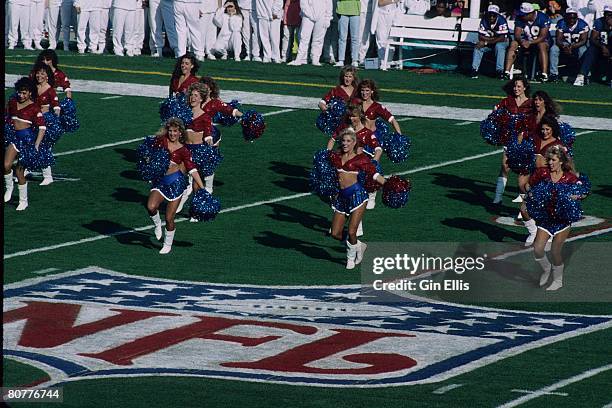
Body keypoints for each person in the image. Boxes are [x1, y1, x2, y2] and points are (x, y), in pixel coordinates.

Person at [526, 145, 585, 290]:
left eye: (553, 160)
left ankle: (558, 281)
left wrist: (575, 196)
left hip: (562, 220)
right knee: (538, 249)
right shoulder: (543, 173)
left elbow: (583, 193)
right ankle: (546, 269)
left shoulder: (570, 178)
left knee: (555, 251)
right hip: (546, 219)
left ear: (561, 161)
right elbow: (528, 185)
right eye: (549, 160)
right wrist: (531, 194)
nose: (550, 163)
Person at [328, 128, 386, 269]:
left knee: (352, 231)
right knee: (335, 233)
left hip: (358, 196)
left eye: (348, 141)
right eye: (343, 141)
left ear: (354, 143)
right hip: (341, 198)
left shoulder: (361, 159)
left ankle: (350, 258)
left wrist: (387, 184)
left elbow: (374, 175)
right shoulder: (336, 157)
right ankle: (358, 245)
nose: (345, 143)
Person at [147, 118, 204, 254]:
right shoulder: (161, 141)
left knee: (169, 218)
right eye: (170, 131)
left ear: (180, 133)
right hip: (161, 181)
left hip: (176, 184)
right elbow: (149, 153)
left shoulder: (184, 150)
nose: (172, 134)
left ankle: (167, 244)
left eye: (175, 131)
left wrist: (202, 188)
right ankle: (157, 224)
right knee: (151, 207)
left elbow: (192, 169)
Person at [519, 116, 568, 245]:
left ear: (553, 130)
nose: (544, 132)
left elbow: (565, 165)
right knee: (524, 209)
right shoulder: (536, 140)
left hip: (550, 180)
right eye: (542, 129)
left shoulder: (559, 145)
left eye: (547, 129)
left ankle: (549, 234)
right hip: (535, 178)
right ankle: (533, 232)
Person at [4, 77, 46, 211]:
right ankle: (9, 188)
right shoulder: (12, 102)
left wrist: (36, 145)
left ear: (30, 93)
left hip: (27, 141)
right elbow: (7, 117)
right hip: (14, 138)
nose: (21, 95)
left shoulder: (34, 108)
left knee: (19, 172)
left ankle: (23, 200)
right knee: (6, 165)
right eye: (20, 92)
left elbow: (42, 128)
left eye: (24, 93)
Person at [491, 77, 534, 205]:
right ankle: (498, 197)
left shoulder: (531, 104)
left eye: (519, 86)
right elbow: (496, 112)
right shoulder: (507, 101)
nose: (516, 89)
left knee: (522, 170)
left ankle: (523, 197)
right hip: (510, 138)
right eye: (515, 86)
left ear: (525, 88)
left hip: (526, 140)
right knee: (505, 166)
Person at [503, 2, 552, 82]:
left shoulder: (543, 17)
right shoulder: (520, 18)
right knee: (514, 44)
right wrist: (522, 41)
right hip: (526, 41)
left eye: (524, 15)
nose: (522, 16)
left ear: (531, 13)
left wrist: (530, 42)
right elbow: (517, 34)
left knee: (541, 45)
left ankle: (544, 74)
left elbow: (543, 36)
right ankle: (507, 72)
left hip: (542, 41)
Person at [33, 63, 61, 186]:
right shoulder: (33, 87)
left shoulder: (50, 91)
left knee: (42, 147)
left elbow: (56, 108)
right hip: (33, 120)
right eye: (38, 73)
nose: (39, 75)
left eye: (42, 73)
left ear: (47, 76)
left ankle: (48, 176)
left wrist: (53, 119)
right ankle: (27, 169)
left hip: (45, 123)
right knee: (29, 145)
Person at [574, 5, 612, 86]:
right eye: (606, 14)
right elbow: (593, 39)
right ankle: (582, 75)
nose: (608, 17)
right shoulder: (599, 22)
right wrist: (603, 47)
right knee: (591, 50)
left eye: (610, 15)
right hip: (601, 47)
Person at [288, 0, 333, 66]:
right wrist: (309, 14)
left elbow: (329, 4)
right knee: (304, 38)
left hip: (322, 15)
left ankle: (315, 60)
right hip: (308, 16)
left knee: (318, 39)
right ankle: (300, 59)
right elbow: (303, 3)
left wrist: (328, 17)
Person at [549, 8, 589, 82]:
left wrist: (572, 46)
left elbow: (583, 40)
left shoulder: (582, 24)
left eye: (574, 18)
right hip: (564, 45)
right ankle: (553, 74)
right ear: (566, 17)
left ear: (577, 17)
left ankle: (583, 74)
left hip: (577, 45)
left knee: (583, 50)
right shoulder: (561, 23)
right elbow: (558, 40)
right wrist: (565, 46)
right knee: (554, 49)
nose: (571, 20)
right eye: (569, 18)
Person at [471, 5, 509, 79]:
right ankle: (474, 70)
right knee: (478, 47)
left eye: (494, 15)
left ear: (497, 15)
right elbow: (480, 36)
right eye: (490, 15)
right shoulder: (484, 20)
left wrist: (486, 42)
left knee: (499, 46)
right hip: (490, 42)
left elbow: (502, 38)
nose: (491, 17)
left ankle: (499, 71)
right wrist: (489, 40)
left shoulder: (502, 20)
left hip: (502, 42)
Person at [335, 0, 361, 67]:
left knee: (355, 38)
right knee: (342, 37)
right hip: (342, 11)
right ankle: (341, 60)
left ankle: (354, 60)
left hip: (355, 11)